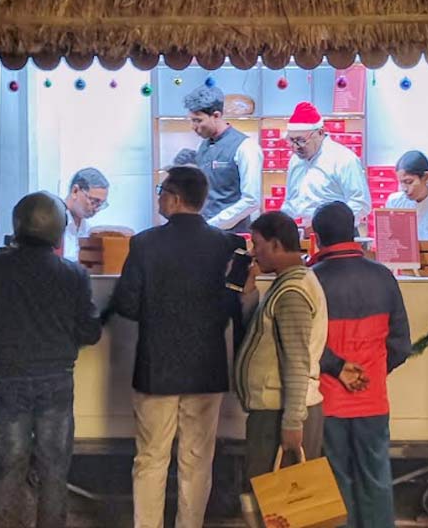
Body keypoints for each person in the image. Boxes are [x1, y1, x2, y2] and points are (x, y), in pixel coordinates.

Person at [0, 191, 102, 528]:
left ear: (18, 226)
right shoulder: (73, 275)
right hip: (57, 379)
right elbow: (90, 332)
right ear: (57, 229)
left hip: (8, 378)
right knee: (54, 467)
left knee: (11, 464)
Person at [111, 165, 244, 528]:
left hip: (157, 368)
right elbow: (233, 306)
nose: (158, 198)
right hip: (206, 369)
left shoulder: (144, 243)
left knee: (151, 459)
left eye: (160, 191)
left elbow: (125, 303)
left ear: (174, 197)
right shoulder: (226, 245)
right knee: (197, 461)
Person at [309, 202, 411, 528]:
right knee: (376, 476)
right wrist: (371, 374)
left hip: (329, 402)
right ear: (354, 231)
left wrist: (338, 370)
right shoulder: (383, 276)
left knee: (337, 478)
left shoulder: (312, 281)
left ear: (318, 238)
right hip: (373, 399)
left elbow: (306, 345)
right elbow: (400, 345)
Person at [235, 211, 328, 482]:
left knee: (278, 504)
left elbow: (297, 361)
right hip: (278, 409)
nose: (254, 253)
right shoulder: (291, 282)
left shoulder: (292, 292)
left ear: (276, 245)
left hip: (280, 412)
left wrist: (292, 422)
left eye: (258, 244)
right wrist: (249, 292)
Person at [184, 84, 263, 233]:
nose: (193, 126)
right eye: (191, 120)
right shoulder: (203, 146)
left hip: (232, 237)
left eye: (198, 120)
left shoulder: (246, 147)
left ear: (216, 115)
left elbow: (251, 201)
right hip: (203, 233)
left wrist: (213, 224)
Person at [281, 102, 371, 228]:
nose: (295, 147)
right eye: (291, 140)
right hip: (305, 232)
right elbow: (291, 202)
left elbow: (361, 203)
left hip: (338, 234)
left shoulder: (343, 158)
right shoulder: (295, 161)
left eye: (301, 141)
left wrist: (329, 224)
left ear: (320, 133)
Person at [63, 167, 110, 261]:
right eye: (94, 201)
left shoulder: (89, 231)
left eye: (101, 204)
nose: (97, 209)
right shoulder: (52, 225)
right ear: (75, 191)